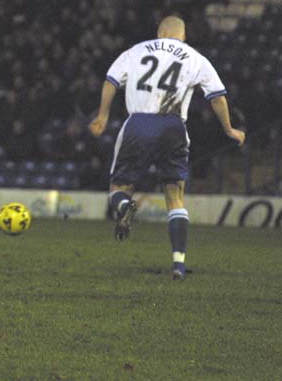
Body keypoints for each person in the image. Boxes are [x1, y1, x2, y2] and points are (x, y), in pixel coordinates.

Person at [88, 16, 245, 280]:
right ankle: (178, 264)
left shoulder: (136, 50)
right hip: (174, 127)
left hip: (139, 123)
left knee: (118, 188)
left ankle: (125, 205)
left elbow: (110, 81)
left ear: (160, 32)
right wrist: (229, 129)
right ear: (182, 36)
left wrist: (102, 115)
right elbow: (217, 97)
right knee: (175, 196)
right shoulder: (195, 57)